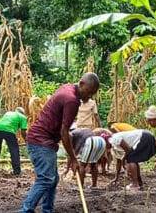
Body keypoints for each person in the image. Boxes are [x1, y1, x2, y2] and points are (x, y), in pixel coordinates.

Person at [21, 72, 100, 212]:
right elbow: (64, 132)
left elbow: (66, 132)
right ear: (81, 83)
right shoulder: (72, 100)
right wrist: (74, 159)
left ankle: (47, 210)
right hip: (41, 140)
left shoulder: (67, 88)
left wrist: (71, 157)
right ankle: (25, 210)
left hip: (43, 140)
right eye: (88, 92)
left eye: (92, 94)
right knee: (46, 179)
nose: (89, 97)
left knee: (52, 179)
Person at [0, 107, 27, 175]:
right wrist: (26, 140)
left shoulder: (8, 113)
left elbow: (6, 122)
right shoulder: (23, 117)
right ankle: (17, 171)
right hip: (9, 130)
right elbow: (23, 132)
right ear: (22, 113)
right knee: (14, 149)